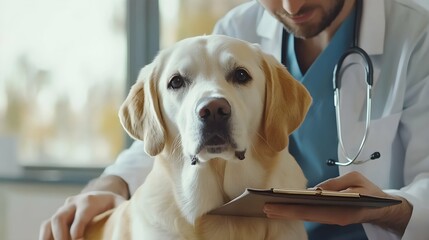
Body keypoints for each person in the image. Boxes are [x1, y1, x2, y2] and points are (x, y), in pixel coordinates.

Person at [39, 0, 429, 239]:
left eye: (239, 77)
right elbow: (172, 131)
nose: (291, 5)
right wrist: (109, 186)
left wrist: (386, 208)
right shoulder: (235, 33)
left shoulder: (417, 36)